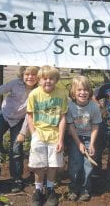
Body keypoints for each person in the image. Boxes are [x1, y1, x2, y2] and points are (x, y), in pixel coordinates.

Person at [27, 65, 68, 206]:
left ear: (56, 80)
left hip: (55, 135)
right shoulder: (34, 94)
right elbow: (30, 115)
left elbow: (63, 118)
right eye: (44, 78)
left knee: (53, 164)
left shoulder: (62, 94)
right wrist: (33, 134)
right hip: (39, 134)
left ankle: (50, 189)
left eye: (51, 78)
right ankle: (38, 190)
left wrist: (61, 139)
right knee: (38, 165)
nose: (48, 81)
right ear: (39, 80)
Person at [66, 76, 102, 202]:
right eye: (79, 90)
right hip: (75, 138)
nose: (83, 92)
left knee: (88, 165)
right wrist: (79, 143)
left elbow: (96, 125)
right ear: (73, 92)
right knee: (75, 164)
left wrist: (91, 144)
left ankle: (85, 189)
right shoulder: (70, 107)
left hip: (89, 137)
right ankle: (74, 188)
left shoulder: (94, 107)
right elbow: (70, 126)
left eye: (86, 90)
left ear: (89, 92)